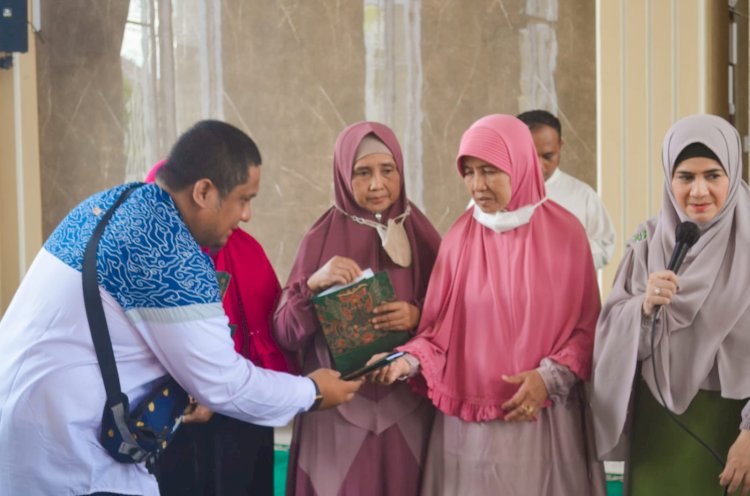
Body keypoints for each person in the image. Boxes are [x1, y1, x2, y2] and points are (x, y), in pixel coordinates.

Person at [0, 120, 360, 496]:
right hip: (70, 460)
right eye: (243, 199)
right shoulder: (168, 253)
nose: (246, 216)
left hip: (23, 435)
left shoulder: (110, 204)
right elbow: (225, 383)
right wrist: (312, 392)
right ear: (204, 191)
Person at [372, 114, 607, 495]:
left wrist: (547, 380)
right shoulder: (460, 237)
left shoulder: (566, 235)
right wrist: (401, 363)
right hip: (471, 430)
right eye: (469, 172)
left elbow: (586, 330)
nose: (477, 185)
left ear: (520, 164)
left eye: (490, 171)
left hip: (542, 423)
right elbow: (437, 333)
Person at [272, 121, 441, 495]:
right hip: (337, 409)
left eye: (387, 171)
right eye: (362, 173)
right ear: (343, 176)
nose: (377, 184)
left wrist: (417, 315)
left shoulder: (423, 235)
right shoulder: (320, 238)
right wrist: (312, 286)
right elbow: (284, 332)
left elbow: (454, 318)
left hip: (407, 406)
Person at [591, 114, 750, 495]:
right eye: (685, 177)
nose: (698, 191)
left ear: (733, 173)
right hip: (660, 435)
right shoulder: (647, 245)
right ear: (668, 178)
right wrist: (641, 310)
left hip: (736, 433)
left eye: (713, 175)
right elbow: (610, 339)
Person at [142, 161, 292, 496]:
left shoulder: (247, 252)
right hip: (162, 416)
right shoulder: (143, 257)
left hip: (239, 420)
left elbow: (271, 333)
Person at [517, 109, 615, 269]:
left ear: (560, 145)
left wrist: (564, 255)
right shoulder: (492, 196)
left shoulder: (583, 195)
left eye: (548, 156)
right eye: (531, 156)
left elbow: (605, 245)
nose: (540, 166)